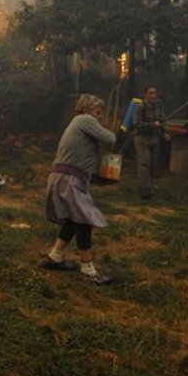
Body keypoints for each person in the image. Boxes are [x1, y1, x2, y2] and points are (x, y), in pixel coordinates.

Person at [39, 94, 116, 284]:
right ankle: (88, 270)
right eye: (98, 112)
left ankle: (55, 256)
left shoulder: (80, 123)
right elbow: (110, 138)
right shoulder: (85, 120)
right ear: (86, 110)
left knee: (74, 218)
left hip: (67, 177)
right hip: (68, 179)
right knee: (83, 220)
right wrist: (115, 129)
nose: (100, 117)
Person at [132, 86, 171, 199]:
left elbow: (163, 120)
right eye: (150, 93)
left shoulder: (159, 106)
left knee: (153, 164)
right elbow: (136, 123)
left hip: (154, 137)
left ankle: (145, 185)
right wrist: (151, 125)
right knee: (144, 163)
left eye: (154, 93)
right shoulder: (140, 107)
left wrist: (165, 132)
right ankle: (145, 190)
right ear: (145, 95)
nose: (153, 95)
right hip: (141, 137)